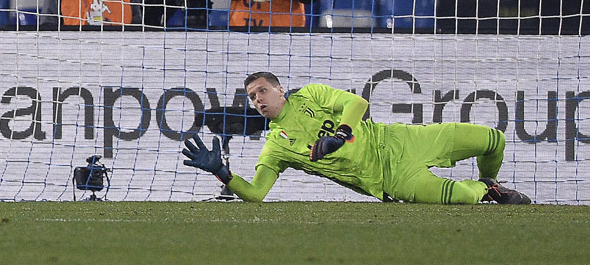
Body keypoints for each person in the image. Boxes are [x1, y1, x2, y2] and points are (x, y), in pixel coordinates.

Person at [183, 71, 532, 205]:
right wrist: (223, 174)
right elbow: (256, 194)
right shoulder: (276, 146)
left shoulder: (311, 95)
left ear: (280, 90)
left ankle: (494, 181)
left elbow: (357, 102)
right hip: (389, 178)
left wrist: (340, 134)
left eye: (262, 92)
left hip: (397, 140)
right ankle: (487, 190)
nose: (258, 100)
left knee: (492, 139)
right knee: (463, 198)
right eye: (252, 97)